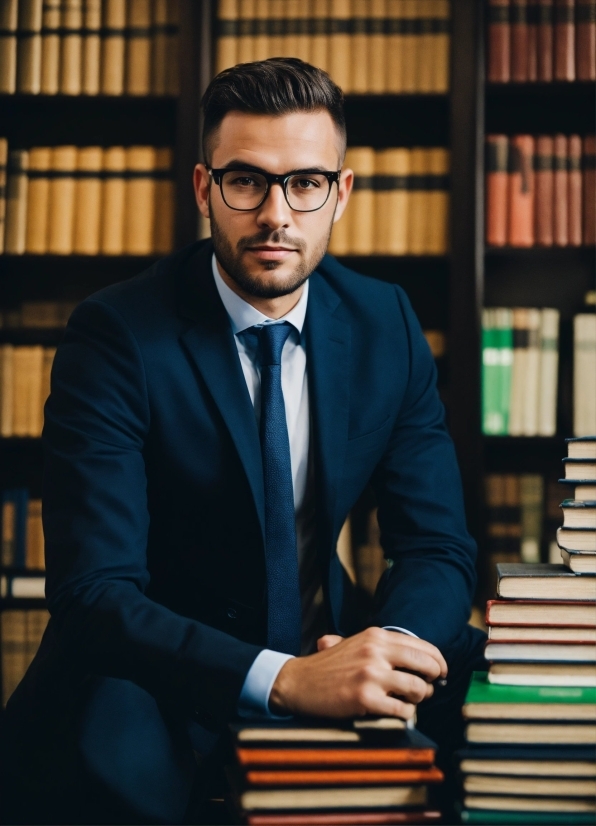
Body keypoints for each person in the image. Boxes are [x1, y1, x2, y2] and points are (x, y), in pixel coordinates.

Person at [0, 58, 486, 826]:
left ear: (341, 193)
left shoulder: (384, 323)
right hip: (145, 678)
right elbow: (95, 594)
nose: (276, 215)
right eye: (246, 181)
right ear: (204, 189)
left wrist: (387, 649)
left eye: (304, 183)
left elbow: (438, 546)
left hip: (332, 644)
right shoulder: (116, 335)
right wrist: (287, 680)